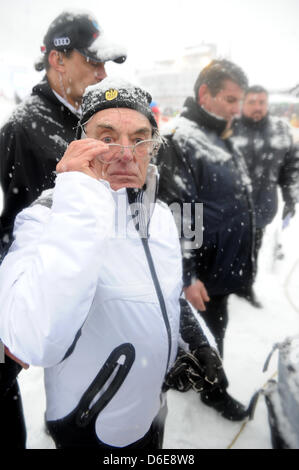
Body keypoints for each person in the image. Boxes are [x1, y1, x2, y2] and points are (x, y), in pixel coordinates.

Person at [0, 78, 227, 449]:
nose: (126, 152)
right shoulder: (49, 218)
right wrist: (80, 198)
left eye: (140, 139)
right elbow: (31, 338)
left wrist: (196, 342)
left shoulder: (162, 217)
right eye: (107, 138)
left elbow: (167, 294)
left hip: (150, 414)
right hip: (88, 422)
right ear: (78, 143)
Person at [0, 10, 126, 449]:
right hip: (48, 316)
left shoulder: (88, 119)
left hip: (96, 303)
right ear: (58, 60)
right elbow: (13, 230)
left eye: (105, 64)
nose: (102, 73)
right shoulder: (23, 129)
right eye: (93, 62)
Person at [156, 59, 254, 421]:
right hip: (204, 269)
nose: (236, 109)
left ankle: (189, 375)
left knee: (210, 328)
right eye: (230, 100)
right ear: (204, 94)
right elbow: (183, 212)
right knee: (209, 333)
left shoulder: (216, 134)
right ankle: (213, 389)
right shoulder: (181, 138)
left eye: (238, 101)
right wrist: (188, 276)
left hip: (222, 261)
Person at [232, 85, 299, 297]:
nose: (257, 107)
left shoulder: (280, 130)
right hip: (229, 209)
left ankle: (245, 286)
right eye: (252, 102)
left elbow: (290, 169)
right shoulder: (228, 128)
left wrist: (290, 199)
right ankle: (221, 289)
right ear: (243, 103)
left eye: (261, 102)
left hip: (262, 207)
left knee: (253, 250)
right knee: (226, 250)